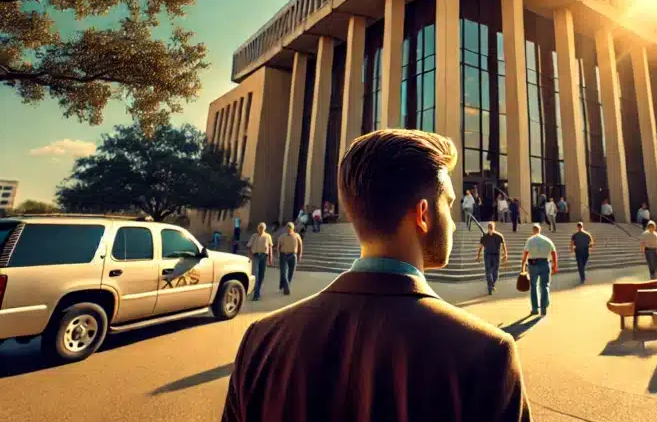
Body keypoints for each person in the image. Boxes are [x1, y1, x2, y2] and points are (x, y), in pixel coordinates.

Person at [223, 129, 530, 422]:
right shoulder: (488, 356)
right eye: (448, 205)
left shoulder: (261, 341)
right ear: (423, 215)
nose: (452, 223)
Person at [521, 224, 558, 317]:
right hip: (545, 263)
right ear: (540, 230)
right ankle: (543, 309)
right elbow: (554, 253)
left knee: (534, 286)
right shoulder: (547, 240)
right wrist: (555, 266)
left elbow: (525, 254)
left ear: (533, 231)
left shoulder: (530, 240)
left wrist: (523, 267)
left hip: (533, 265)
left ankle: (534, 309)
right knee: (544, 285)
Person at [476, 221, 508, 295]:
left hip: (496, 254)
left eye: (492, 228)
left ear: (494, 228)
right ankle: (490, 287)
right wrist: (478, 255)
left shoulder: (499, 236)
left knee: (495, 273)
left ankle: (491, 284)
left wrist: (505, 254)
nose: (491, 230)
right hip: (487, 255)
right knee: (488, 271)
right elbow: (481, 247)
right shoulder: (484, 236)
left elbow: (503, 245)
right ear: (488, 228)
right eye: (490, 229)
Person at [245, 222, 273, 301]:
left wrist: (270, 257)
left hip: (264, 256)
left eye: (262, 228)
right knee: (256, 274)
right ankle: (256, 294)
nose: (260, 229)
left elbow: (270, 247)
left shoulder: (268, 236)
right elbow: (249, 246)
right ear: (258, 228)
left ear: (264, 229)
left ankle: (258, 289)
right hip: (256, 256)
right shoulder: (254, 236)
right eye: (259, 228)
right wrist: (250, 256)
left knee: (261, 275)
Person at [276, 222, 303, 295]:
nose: (288, 229)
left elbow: (300, 245)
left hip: (293, 255)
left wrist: (299, 255)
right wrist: (279, 255)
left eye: (290, 228)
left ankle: (284, 285)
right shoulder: (282, 236)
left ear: (292, 228)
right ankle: (286, 288)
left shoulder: (297, 236)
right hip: (284, 255)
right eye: (287, 227)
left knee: (291, 272)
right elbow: (278, 246)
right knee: (284, 273)